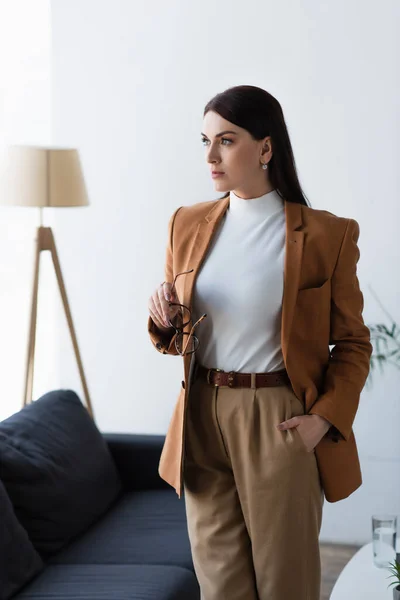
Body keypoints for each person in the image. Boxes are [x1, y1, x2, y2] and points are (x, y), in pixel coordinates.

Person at [147, 84, 372, 600]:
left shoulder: (327, 235)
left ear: (266, 149)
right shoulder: (186, 223)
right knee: (218, 583)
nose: (210, 155)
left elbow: (354, 344)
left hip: (278, 417)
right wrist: (163, 320)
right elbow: (177, 335)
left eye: (226, 140)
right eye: (204, 140)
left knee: (285, 583)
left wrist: (324, 420)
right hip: (202, 411)